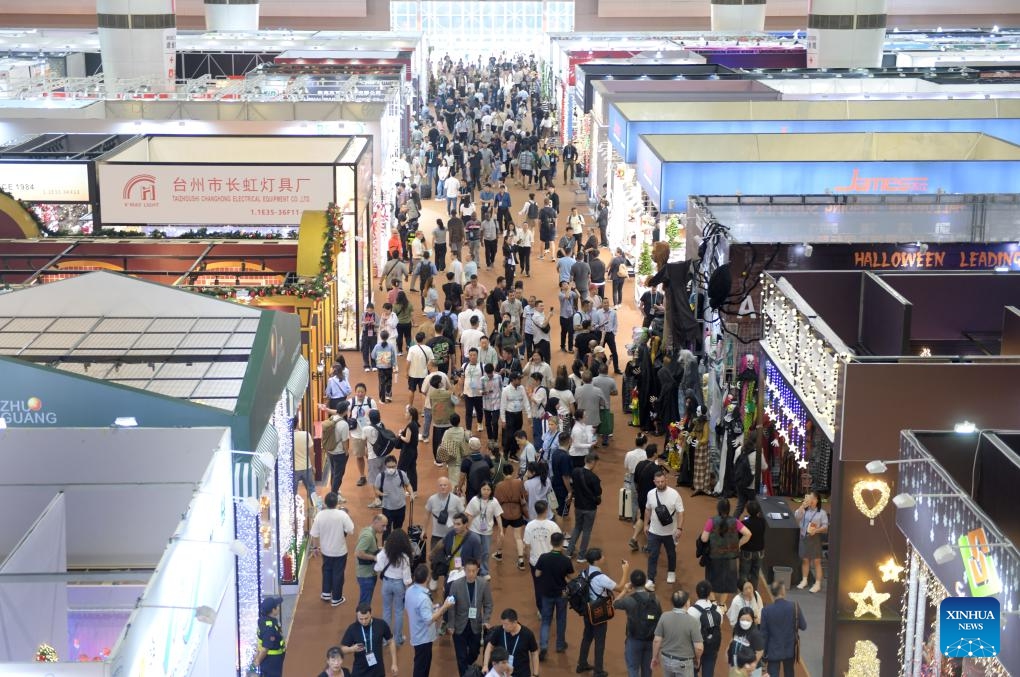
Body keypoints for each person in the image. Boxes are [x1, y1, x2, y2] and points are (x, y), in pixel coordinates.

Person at [576, 549, 628, 677]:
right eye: (601, 556)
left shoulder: (584, 573)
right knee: (600, 642)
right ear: (597, 560)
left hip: (587, 610)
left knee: (587, 637)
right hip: (599, 612)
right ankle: (598, 671)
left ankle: (581, 664)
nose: (604, 557)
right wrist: (625, 571)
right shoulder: (601, 578)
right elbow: (620, 587)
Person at [699, 498, 752, 609]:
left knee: (711, 579)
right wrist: (738, 545)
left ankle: (713, 603)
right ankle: (722, 604)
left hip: (714, 557)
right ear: (729, 509)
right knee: (727, 582)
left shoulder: (711, 521)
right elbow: (748, 534)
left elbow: (704, 539)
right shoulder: (735, 521)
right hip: (731, 558)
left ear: (718, 508)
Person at [446, 557, 495, 674]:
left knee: (474, 652)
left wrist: (486, 619)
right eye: (468, 571)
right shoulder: (456, 585)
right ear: (464, 570)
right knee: (461, 656)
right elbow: (451, 606)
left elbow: (488, 604)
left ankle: (467, 670)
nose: (471, 574)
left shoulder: (483, 584)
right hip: (459, 626)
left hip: (476, 625)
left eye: (474, 571)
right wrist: (451, 625)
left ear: (478, 570)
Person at [407, 563, 455, 677]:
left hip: (416, 633)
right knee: (422, 669)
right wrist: (444, 607)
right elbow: (429, 620)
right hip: (424, 638)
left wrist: (432, 607)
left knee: (419, 664)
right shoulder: (423, 598)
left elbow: (415, 608)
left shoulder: (410, 590)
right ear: (427, 578)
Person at [310, 491, 356, 607]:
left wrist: (315, 547)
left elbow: (314, 534)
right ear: (337, 502)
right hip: (340, 551)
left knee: (326, 570)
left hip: (325, 550)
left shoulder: (320, 515)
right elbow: (351, 530)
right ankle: (336, 598)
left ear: (325, 503)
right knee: (338, 574)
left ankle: (326, 593)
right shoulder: (342, 515)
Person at [614, 569, 663, 677]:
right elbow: (660, 618)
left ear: (631, 583)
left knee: (633, 668)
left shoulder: (629, 600)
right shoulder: (655, 599)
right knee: (647, 670)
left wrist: (625, 590)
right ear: (645, 582)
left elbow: (615, 604)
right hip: (650, 639)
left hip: (634, 640)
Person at [534, 531, 573, 661]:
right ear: (562, 543)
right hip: (561, 594)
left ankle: (544, 646)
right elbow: (570, 577)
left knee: (546, 621)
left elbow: (537, 574)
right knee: (561, 619)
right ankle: (560, 645)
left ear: (550, 543)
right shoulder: (565, 560)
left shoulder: (544, 557)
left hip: (546, 593)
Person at [644, 469, 684, 592]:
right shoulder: (650, 494)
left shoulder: (674, 494)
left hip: (670, 532)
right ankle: (650, 579)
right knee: (652, 555)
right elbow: (647, 510)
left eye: (662, 481)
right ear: (654, 482)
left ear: (666, 480)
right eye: (658, 482)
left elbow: (680, 512)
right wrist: (646, 524)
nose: (660, 484)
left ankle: (671, 571)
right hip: (654, 531)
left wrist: (679, 528)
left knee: (671, 553)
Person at [374, 528, 414, 646]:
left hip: (386, 583)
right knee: (399, 612)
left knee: (386, 610)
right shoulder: (405, 557)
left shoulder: (385, 552)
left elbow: (378, 567)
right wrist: (408, 589)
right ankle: (398, 639)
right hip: (399, 585)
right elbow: (407, 578)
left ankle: (385, 639)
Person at [651, 590, 704, 677]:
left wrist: (654, 657)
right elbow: (699, 648)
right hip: (684, 663)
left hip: (666, 659)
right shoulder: (692, 621)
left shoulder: (664, 616)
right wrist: (697, 659)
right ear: (687, 603)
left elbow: (657, 640)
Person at [759, 582, 806, 677]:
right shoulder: (794, 607)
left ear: (772, 593)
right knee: (789, 673)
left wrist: (763, 654)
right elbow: (803, 626)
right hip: (789, 649)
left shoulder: (766, 611)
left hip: (773, 650)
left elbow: (763, 635)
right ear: (783, 592)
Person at [523, 498, 562, 609]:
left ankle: (540, 609)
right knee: (552, 584)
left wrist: (528, 557)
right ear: (546, 510)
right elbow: (559, 543)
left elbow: (527, 545)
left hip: (535, 561)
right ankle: (551, 606)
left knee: (538, 586)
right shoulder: (553, 526)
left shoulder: (529, 526)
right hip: (551, 561)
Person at [340, 603, 398, 677]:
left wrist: (394, 663)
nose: (364, 621)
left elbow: (391, 641)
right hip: (359, 671)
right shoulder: (352, 629)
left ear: (371, 614)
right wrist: (352, 649)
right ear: (357, 616)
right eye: (360, 619)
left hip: (377, 671)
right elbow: (342, 649)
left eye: (366, 618)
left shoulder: (381, 624)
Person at [482, 608, 540, 677]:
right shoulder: (499, 631)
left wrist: (535, 674)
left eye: (506, 624)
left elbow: (534, 653)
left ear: (515, 622)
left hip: (521, 673)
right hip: (502, 673)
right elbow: (490, 646)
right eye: (502, 624)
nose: (503, 627)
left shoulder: (527, 634)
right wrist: (485, 665)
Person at [566, 453, 602, 562]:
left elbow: (572, 484)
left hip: (578, 506)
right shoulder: (594, 478)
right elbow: (598, 493)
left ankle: (569, 551)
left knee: (577, 527)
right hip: (590, 508)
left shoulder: (576, 471)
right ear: (592, 462)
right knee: (587, 531)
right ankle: (581, 556)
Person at [466, 481, 504, 578]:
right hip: (474, 529)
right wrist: (466, 529)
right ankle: (473, 570)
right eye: (484, 489)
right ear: (480, 489)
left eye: (488, 489)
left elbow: (498, 516)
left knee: (486, 552)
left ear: (491, 491)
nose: (486, 492)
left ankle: (484, 571)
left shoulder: (494, 501)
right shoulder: (474, 500)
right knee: (475, 551)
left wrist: (501, 530)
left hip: (487, 531)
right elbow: (469, 515)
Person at [494, 463, 528, 570]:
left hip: (504, 513)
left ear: (503, 473)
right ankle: (521, 560)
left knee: (501, 534)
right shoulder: (519, 482)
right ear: (513, 471)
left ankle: (499, 554)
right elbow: (524, 495)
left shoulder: (499, 485)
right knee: (518, 537)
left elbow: (496, 500)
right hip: (517, 511)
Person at [794, 490, 828, 593]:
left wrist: (816, 530)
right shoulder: (805, 510)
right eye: (810, 498)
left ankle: (817, 584)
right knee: (805, 560)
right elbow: (797, 516)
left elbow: (825, 527)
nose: (811, 500)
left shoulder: (822, 513)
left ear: (817, 500)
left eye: (813, 498)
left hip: (815, 538)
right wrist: (802, 506)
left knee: (816, 561)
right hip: (804, 537)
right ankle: (804, 580)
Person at [440, 513, 483, 592]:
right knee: (447, 596)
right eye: (454, 524)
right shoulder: (451, 534)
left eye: (458, 524)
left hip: (464, 576)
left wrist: (469, 572)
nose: (455, 527)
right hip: (450, 574)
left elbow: (478, 560)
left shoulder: (474, 539)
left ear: (465, 524)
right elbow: (443, 544)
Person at [688, 581, 724, 677]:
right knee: (708, 673)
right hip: (712, 647)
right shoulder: (717, 609)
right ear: (709, 593)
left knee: (692, 672)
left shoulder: (691, 610)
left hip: (695, 647)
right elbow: (719, 624)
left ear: (697, 592)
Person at [349, 384, 379, 487]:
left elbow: (377, 416)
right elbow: (340, 410)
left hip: (370, 434)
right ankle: (362, 476)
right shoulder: (351, 402)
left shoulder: (371, 402)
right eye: (358, 391)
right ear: (355, 392)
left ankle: (374, 474)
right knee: (359, 455)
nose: (360, 394)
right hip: (356, 434)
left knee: (371, 455)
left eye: (362, 391)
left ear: (365, 392)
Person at [355, 514, 388, 606]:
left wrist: (381, 549)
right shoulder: (368, 536)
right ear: (375, 522)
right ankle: (362, 620)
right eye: (383, 525)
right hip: (366, 575)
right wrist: (375, 558)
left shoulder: (368, 532)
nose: (385, 529)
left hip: (367, 573)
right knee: (365, 604)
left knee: (365, 601)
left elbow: (369, 549)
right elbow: (359, 553)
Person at [425, 476, 465, 551]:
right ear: (437, 486)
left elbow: (463, 515)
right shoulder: (432, 499)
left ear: (449, 486)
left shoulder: (456, 500)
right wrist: (424, 530)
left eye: (445, 485)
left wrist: (462, 530)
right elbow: (427, 515)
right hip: (436, 535)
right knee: (434, 558)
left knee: (455, 557)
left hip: (453, 534)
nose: (443, 487)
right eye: (441, 485)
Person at [375, 454, 411, 533]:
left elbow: (408, 484)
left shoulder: (402, 474)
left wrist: (411, 493)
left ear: (396, 465)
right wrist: (381, 494)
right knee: (386, 531)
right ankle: (386, 544)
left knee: (397, 530)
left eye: (393, 466)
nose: (391, 469)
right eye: (389, 467)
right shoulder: (380, 477)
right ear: (385, 466)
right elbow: (376, 489)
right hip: (387, 509)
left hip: (401, 507)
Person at [726, 606, 765, 676]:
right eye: (742, 619)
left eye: (748, 620)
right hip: (736, 666)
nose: (745, 622)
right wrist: (728, 656)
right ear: (739, 619)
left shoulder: (755, 634)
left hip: (750, 670)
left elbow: (760, 651)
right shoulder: (736, 629)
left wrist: (753, 664)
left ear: (752, 620)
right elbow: (732, 642)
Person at [500, 371, 532, 455]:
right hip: (509, 415)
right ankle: (506, 453)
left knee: (517, 435)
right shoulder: (505, 390)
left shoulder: (521, 388)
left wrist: (529, 415)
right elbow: (502, 406)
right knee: (510, 435)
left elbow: (526, 402)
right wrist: (503, 420)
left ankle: (513, 453)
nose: (520, 381)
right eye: (518, 379)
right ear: (513, 380)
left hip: (519, 415)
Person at [253, 596, 286, 677]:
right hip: (272, 661)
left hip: (271, 661)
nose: (278, 608)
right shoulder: (269, 628)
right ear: (273, 610)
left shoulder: (264, 620)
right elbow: (265, 649)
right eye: (277, 606)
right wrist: (257, 661)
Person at [739, 501, 766, 586]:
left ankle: (744, 593)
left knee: (744, 574)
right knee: (755, 574)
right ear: (758, 511)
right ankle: (753, 594)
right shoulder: (763, 522)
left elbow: (739, 536)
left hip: (746, 552)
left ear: (747, 510)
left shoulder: (743, 523)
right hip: (759, 552)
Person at [406, 335, 434, 408]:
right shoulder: (428, 349)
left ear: (415, 339)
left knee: (411, 390)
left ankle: (410, 406)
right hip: (424, 374)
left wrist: (406, 372)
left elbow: (408, 361)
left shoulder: (411, 349)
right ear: (424, 339)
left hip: (412, 374)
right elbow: (432, 361)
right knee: (423, 392)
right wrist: (429, 368)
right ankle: (423, 410)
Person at [397, 406, 420, 493]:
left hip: (407, 452)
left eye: (406, 413)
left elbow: (407, 440)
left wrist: (400, 435)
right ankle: (414, 490)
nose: (405, 414)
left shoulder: (410, 425)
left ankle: (399, 490)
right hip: (414, 451)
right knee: (412, 471)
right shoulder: (415, 424)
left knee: (401, 470)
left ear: (410, 415)